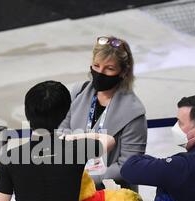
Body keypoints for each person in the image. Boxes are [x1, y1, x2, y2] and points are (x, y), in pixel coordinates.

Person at [58, 36, 147, 192]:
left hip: (111, 196)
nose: (100, 72)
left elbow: (127, 165)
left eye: (109, 68)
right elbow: (61, 130)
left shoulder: (134, 112)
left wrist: (86, 179)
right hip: (71, 186)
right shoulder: (78, 91)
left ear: (123, 71)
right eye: (96, 66)